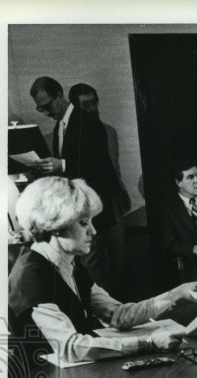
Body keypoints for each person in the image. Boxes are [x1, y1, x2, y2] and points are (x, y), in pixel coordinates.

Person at [9, 177, 197, 366]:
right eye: (84, 223)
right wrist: (148, 343)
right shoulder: (30, 276)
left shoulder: (70, 264)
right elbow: (70, 347)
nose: (93, 231)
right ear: (55, 225)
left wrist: (176, 294)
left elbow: (118, 315)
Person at [29, 76, 122, 292]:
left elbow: (96, 164)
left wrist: (61, 164)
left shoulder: (87, 120)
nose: (45, 112)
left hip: (93, 205)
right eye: (39, 109)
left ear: (59, 95)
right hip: (77, 207)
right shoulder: (59, 128)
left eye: (47, 106)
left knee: (92, 262)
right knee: (89, 263)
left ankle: (107, 311)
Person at [68, 82, 131, 290]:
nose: (92, 109)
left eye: (94, 103)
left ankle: (123, 298)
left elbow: (114, 167)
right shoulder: (67, 135)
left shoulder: (108, 132)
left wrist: (122, 193)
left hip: (112, 201)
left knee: (121, 256)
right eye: (86, 105)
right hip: (86, 208)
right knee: (92, 258)